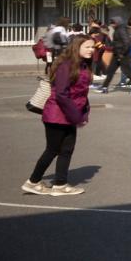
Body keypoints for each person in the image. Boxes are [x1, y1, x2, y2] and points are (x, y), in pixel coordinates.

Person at [23, 35, 94, 195]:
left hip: (69, 115)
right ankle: (33, 181)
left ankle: (60, 185)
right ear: (76, 48)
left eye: (92, 47)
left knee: (66, 150)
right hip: (57, 115)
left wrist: (84, 112)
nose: (91, 50)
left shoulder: (83, 65)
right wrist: (76, 116)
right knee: (53, 149)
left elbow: (81, 93)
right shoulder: (66, 65)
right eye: (88, 47)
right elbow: (62, 94)